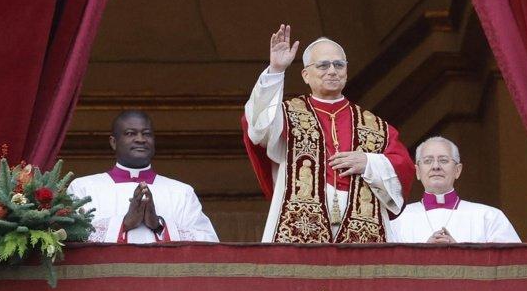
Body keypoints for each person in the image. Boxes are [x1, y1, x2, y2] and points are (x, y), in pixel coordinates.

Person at [243, 24, 414, 243]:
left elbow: (404, 167)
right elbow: (258, 126)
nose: (332, 70)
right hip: (299, 221)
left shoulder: (375, 125)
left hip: (362, 223)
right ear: (305, 75)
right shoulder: (286, 114)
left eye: (338, 64)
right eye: (323, 65)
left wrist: (369, 162)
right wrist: (276, 70)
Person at [68, 110, 217, 243]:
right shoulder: (83, 188)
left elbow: (209, 242)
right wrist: (123, 224)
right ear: (113, 142)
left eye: (146, 134)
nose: (140, 139)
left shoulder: (182, 192)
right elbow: (68, 239)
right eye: (130, 133)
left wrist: (159, 225)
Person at [388, 136, 520, 243]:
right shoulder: (397, 220)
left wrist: (459, 254)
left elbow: (509, 266)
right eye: (428, 161)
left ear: (457, 170)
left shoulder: (489, 217)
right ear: (417, 171)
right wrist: (423, 253)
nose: (436, 166)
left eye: (443, 160)